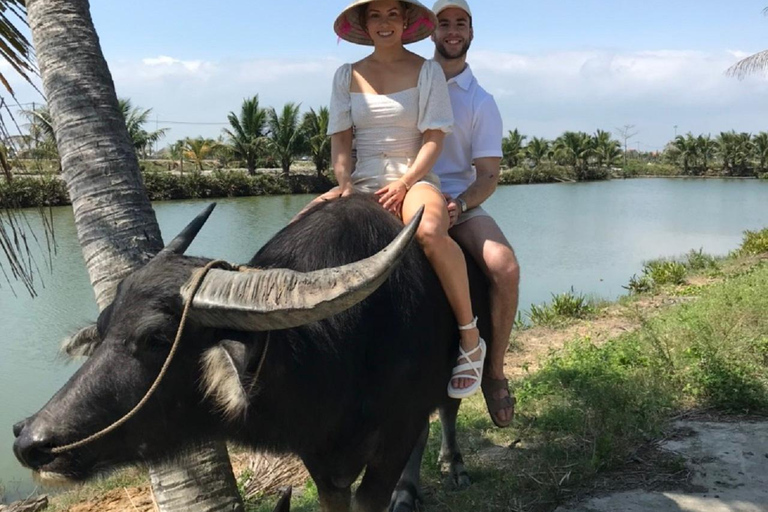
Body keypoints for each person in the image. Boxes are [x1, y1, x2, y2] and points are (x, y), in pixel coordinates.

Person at [323, 0, 487, 398]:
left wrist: (406, 181)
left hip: (413, 178)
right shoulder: (347, 74)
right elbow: (341, 142)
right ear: (364, 24)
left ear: (405, 21)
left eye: (392, 14)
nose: (384, 22)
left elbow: (434, 137)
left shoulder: (426, 70)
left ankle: (469, 336)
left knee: (431, 231)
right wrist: (344, 183)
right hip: (363, 183)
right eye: (375, 15)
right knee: (302, 233)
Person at [431, 0, 521, 427]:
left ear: (471, 32)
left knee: (504, 267)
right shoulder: (411, 81)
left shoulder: (482, 102)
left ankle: (495, 371)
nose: (452, 31)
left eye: (459, 23)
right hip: (403, 193)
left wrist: (460, 204)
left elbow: (487, 176)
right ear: (430, 31)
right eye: (443, 23)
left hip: (457, 201)